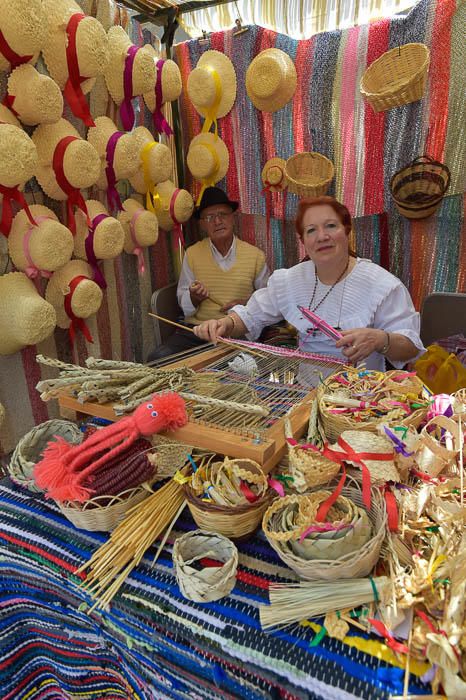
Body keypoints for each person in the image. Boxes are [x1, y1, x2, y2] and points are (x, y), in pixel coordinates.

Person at [193, 196, 425, 377]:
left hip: (361, 399)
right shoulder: (291, 280)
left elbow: (411, 347)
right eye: (311, 230)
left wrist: (380, 339)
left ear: (347, 230)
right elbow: (251, 316)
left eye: (331, 226)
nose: (322, 236)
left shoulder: (382, 285)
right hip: (305, 394)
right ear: (303, 241)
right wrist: (223, 324)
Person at [147, 187, 269, 361]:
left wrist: (245, 302)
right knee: (158, 358)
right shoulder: (193, 254)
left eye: (223, 215)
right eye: (210, 217)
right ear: (202, 224)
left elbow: (267, 299)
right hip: (199, 332)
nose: (217, 221)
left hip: (237, 333)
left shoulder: (255, 255)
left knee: (240, 367)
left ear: (232, 218)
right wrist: (194, 298)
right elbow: (183, 302)